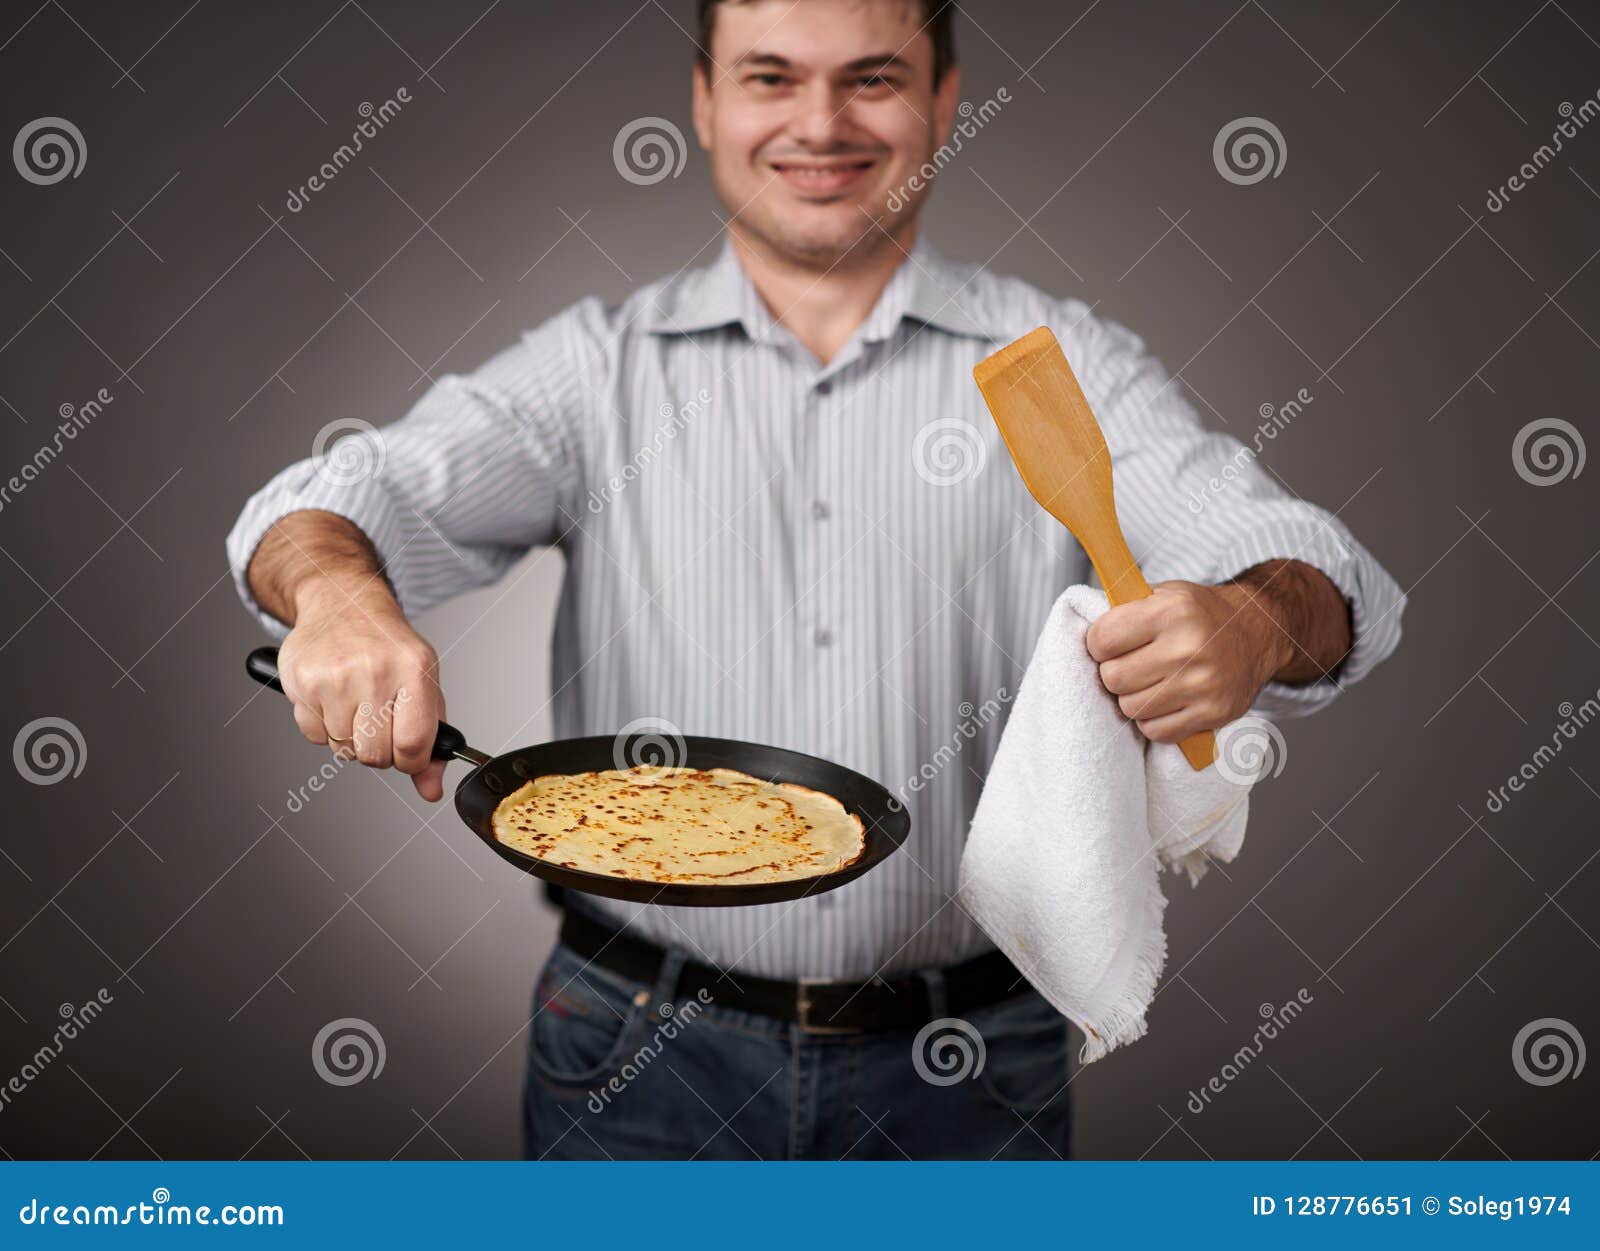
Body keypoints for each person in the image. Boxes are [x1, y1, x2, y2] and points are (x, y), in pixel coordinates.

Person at [226, 0, 1404, 1160]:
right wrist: (336, 595)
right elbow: (331, 502)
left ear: (943, 99)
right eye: (771, 76)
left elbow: (1316, 570)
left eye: (873, 77)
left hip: (972, 1065)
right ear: (704, 100)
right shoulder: (595, 370)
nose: (820, 121)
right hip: (634, 1052)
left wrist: (1250, 621)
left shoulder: (1062, 364)